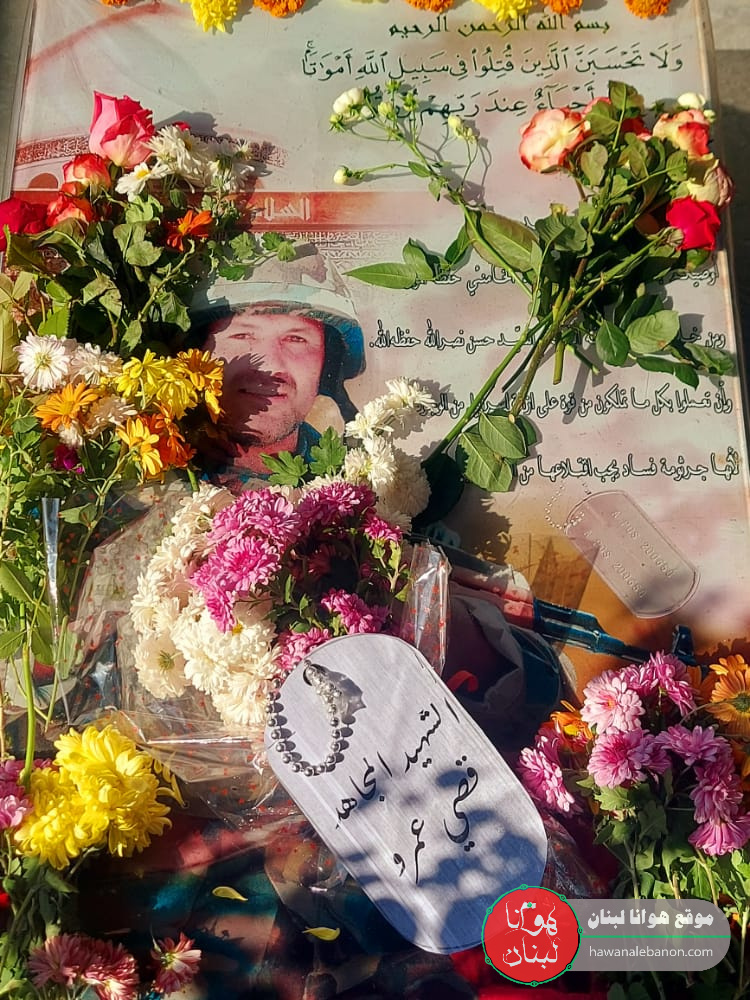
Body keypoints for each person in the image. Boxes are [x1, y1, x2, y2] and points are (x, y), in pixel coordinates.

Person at [191, 247, 365, 477]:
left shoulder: (361, 481)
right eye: (243, 335)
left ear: (326, 365)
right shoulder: (148, 481)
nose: (270, 365)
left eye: (296, 339)